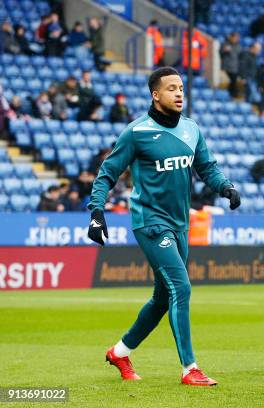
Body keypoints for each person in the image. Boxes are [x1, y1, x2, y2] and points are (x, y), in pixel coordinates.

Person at [87, 67, 241, 386]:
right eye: (171, 88)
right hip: (150, 222)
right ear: (155, 95)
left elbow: (207, 168)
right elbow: (107, 172)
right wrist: (96, 211)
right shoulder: (136, 132)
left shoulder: (191, 129)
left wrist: (226, 188)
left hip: (179, 223)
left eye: (181, 87)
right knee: (181, 288)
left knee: (162, 296)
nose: (179, 93)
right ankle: (190, 369)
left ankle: (120, 351)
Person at [220, 32, 241, 98]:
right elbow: (220, 53)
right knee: (232, 81)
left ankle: (232, 94)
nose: (237, 39)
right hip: (228, 67)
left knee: (233, 81)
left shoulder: (238, 46)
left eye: (238, 38)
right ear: (231, 37)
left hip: (235, 67)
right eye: (235, 37)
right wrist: (224, 50)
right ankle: (233, 94)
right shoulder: (225, 44)